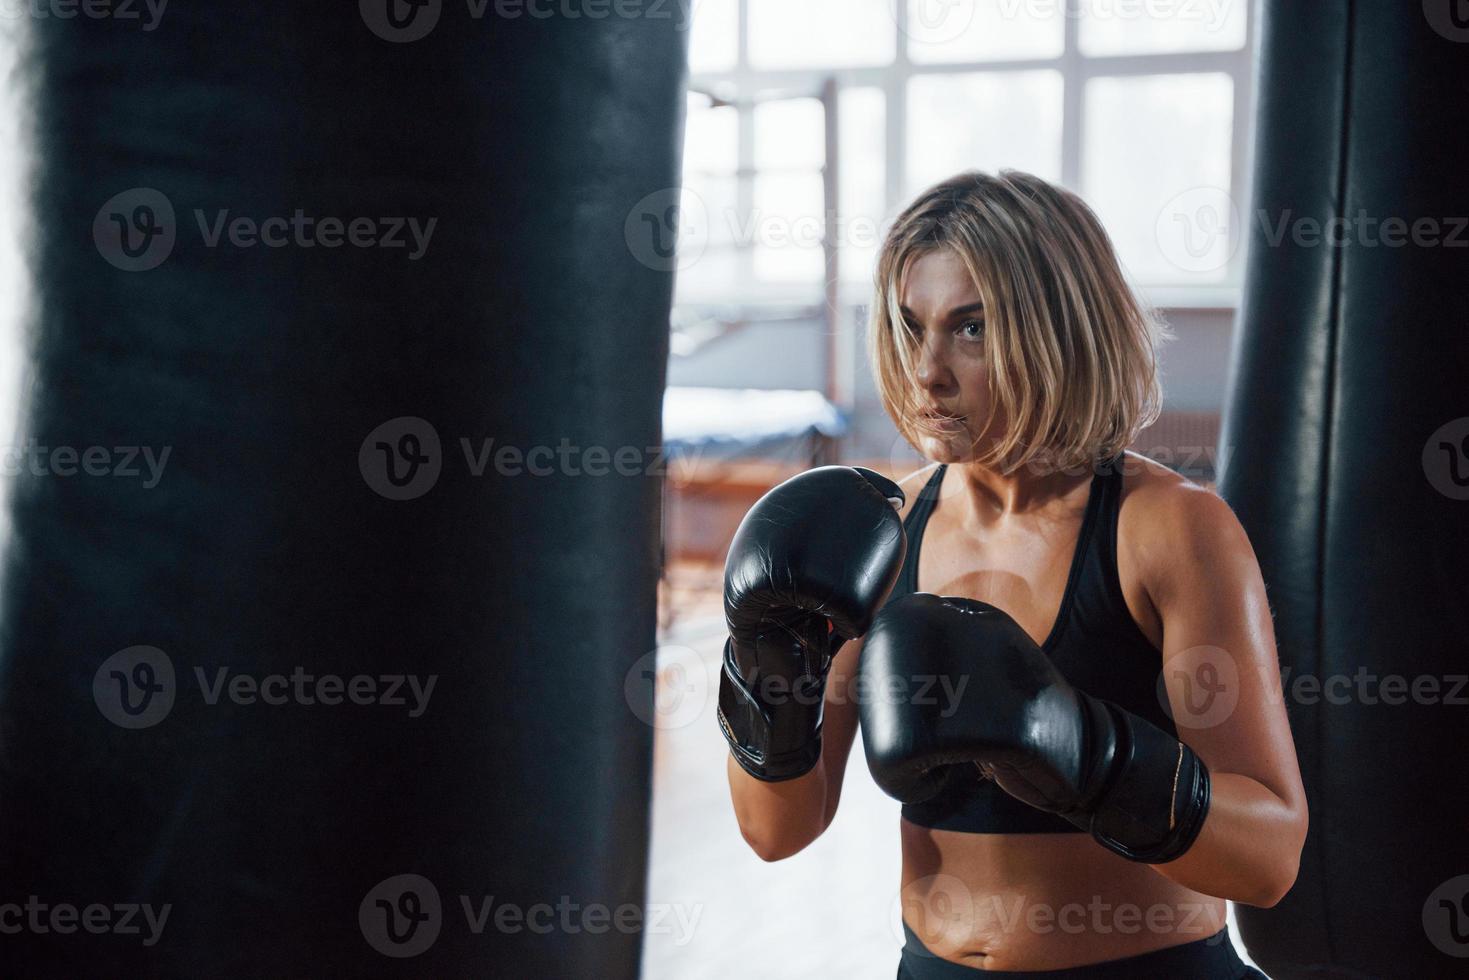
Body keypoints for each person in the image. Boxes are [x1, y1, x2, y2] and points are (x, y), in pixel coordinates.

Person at [716, 170, 1306, 977]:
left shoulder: (1165, 527)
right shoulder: (878, 532)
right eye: (908, 324)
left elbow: (1269, 861)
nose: (926, 371)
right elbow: (777, 833)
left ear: (1060, 330)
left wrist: (1084, 756)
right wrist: (766, 675)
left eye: (971, 328)